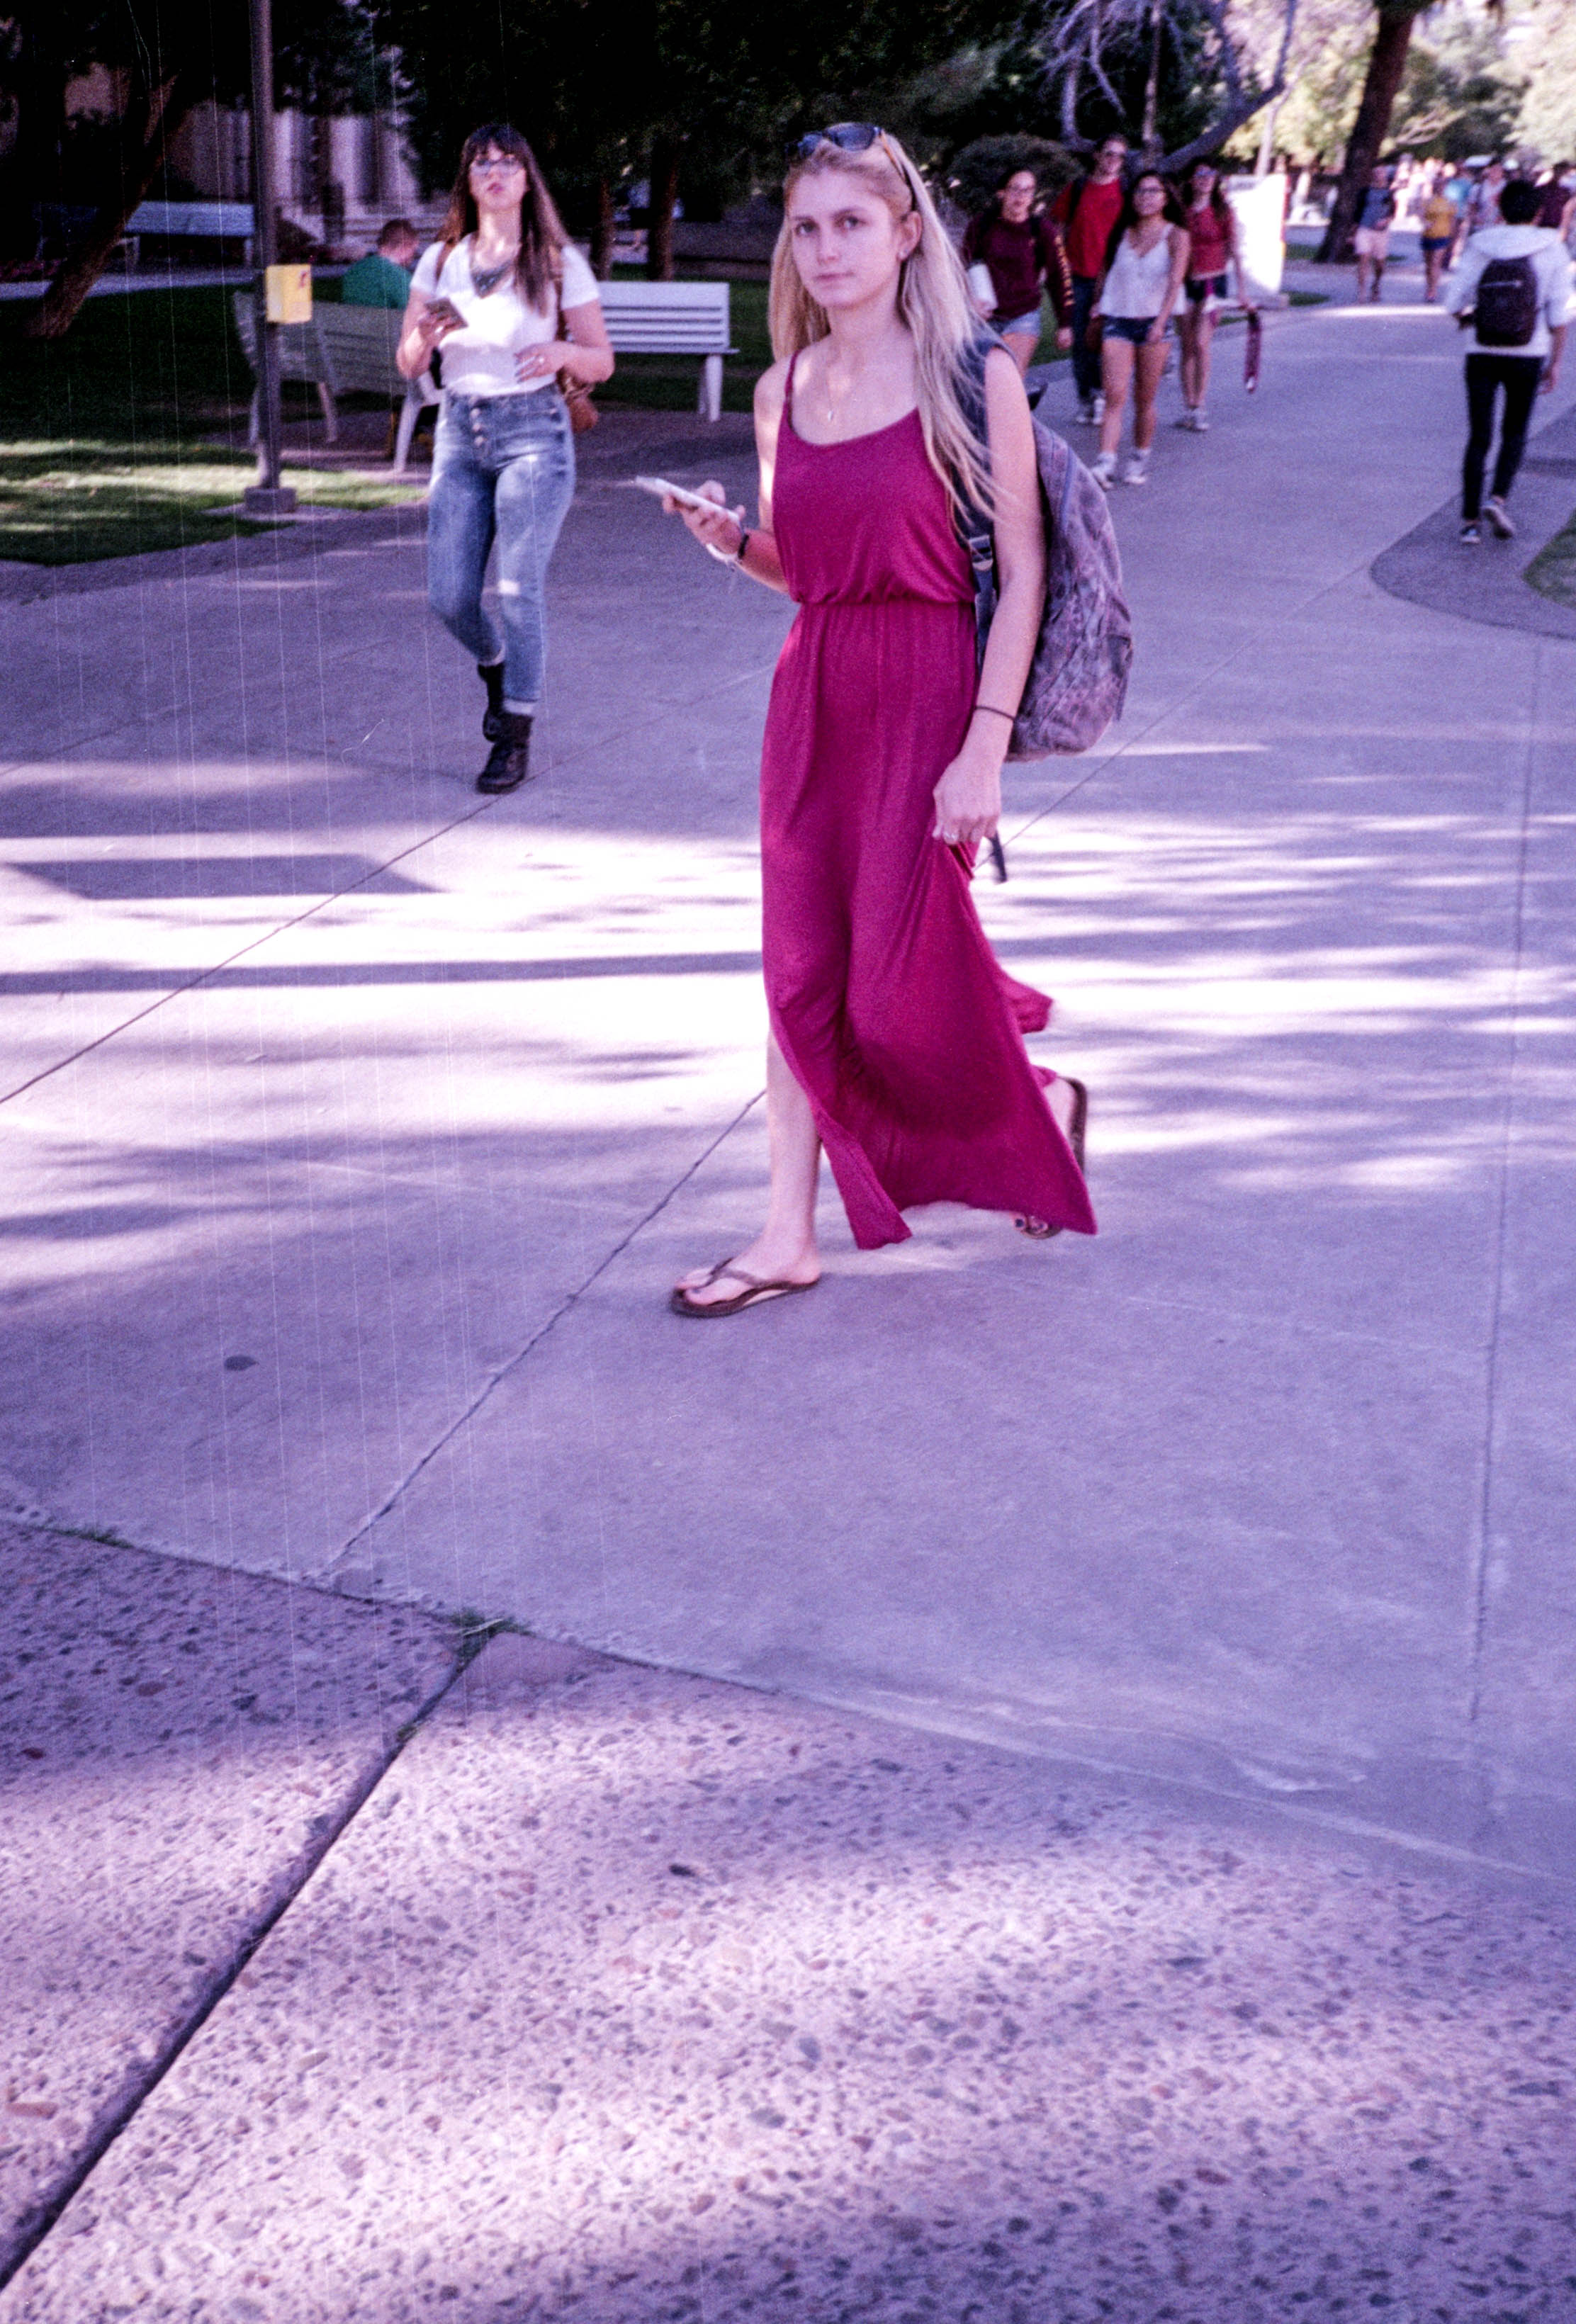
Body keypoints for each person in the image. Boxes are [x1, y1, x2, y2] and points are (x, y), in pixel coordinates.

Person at [656, 123, 1094, 1315]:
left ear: (906, 235)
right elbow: (806, 575)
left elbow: (1023, 570)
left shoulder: (971, 377)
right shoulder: (781, 389)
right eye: (805, 228)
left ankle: (1037, 1101)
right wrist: (729, 542)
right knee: (799, 970)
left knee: (895, 988)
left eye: (850, 223)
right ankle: (784, 1234)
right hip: (813, 697)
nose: (825, 249)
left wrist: (984, 748)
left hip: (931, 698)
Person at [398, 125, 614, 794]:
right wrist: (423, 338)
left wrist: (563, 353)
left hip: (534, 436)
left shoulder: (556, 261)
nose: (495, 173)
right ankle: (496, 669)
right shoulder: (440, 261)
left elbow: (601, 360)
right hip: (460, 433)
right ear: (468, 181)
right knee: (449, 597)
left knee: (519, 592)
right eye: (482, 164)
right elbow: (407, 363)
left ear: (526, 180)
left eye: (509, 163)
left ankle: (514, 737)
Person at [1445, 176, 1573, 544]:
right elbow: (1559, 315)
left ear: (1499, 209)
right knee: (1515, 432)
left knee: (1479, 435)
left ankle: (1470, 523)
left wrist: (1473, 319)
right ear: (1538, 213)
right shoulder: (1552, 248)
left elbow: (1453, 303)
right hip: (1528, 352)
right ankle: (1498, 498)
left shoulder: (1480, 244)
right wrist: (1556, 362)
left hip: (1482, 350)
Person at [1090, 171, 1189, 488]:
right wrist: (1097, 304)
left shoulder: (1176, 235)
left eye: (1153, 191)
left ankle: (1139, 457)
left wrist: (1161, 322)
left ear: (1165, 197)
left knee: (1144, 398)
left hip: (1153, 324)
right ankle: (1105, 462)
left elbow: (1175, 281)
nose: (1146, 197)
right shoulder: (1122, 232)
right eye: (1140, 191)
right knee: (1114, 394)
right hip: (1118, 320)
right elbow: (1106, 270)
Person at [962, 165, 1074, 376]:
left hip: (1023, 316)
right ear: (1001, 193)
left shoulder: (1042, 230)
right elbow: (964, 267)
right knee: (980, 380)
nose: (1021, 196)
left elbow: (1059, 276)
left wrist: (1065, 323)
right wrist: (970, 301)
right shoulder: (982, 225)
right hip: (984, 317)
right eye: (1015, 189)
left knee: (1010, 376)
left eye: (1028, 190)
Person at [1052, 135, 1130, 425]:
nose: (1113, 160)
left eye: (1120, 156)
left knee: (1107, 342)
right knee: (1081, 343)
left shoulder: (1126, 190)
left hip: (1114, 279)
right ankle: (1086, 398)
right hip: (1078, 277)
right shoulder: (1078, 188)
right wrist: (1058, 265)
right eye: (1109, 153)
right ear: (1097, 155)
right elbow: (1059, 229)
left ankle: (1101, 395)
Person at [1173, 159, 1251, 429]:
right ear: (1191, 180)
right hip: (1185, 284)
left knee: (1201, 343)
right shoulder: (1180, 211)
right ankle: (1189, 406)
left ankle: (1200, 406)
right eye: (1200, 174)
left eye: (1211, 173)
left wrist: (1242, 290)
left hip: (1212, 284)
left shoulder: (1222, 210)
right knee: (1187, 346)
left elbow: (1235, 250)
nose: (1206, 178)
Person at [341, 218, 420, 307]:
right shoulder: (400, 277)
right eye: (414, 251)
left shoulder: (354, 270)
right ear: (403, 247)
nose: (413, 256)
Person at [1353, 163, 1395, 303]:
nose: (1378, 176)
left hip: (1381, 232)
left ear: (1385, 175)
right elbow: (1357, 212)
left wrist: (1385, 221)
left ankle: (1376, 285)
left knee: (1379, 264)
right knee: (1364, 257)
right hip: (1365, 229)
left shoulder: (1389, 193)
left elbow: (1392, 213)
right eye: (1376, 173)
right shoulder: (1365, 192)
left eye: (1381, 173)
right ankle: (1362, 291)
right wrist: (1352, 233)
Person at [1419, 176, 1458, 303]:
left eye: (1442, 185)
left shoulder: (1450, 202)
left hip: (1442, 235)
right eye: (1437, 185)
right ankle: (1429, 286)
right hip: (1428, 235)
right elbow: (1421, 215)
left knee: (1436, 262)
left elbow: (1452, 220)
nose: (1440, 187)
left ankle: (1433, 291)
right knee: (1429, 264)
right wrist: (1425, 222)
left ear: (1445, 187)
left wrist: (1453, 236)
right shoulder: (1428, 201)